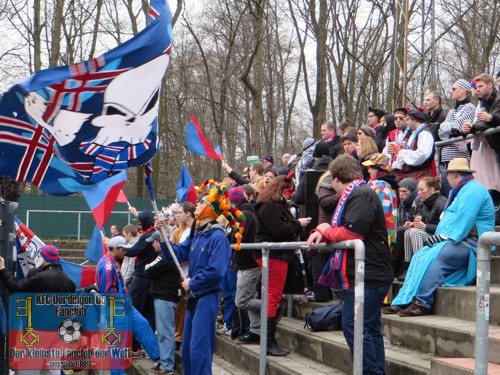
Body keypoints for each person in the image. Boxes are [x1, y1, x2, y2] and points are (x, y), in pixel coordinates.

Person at [307, 154, 393, 375]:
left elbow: (352, 232)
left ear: (336, 178)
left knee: (354, 326)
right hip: (368, 274)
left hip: (369, 275)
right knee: (369, 328)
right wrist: (322, 232)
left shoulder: (361, 194)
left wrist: (325, 230)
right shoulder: (359, 193)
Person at [383, 158, 495, 317]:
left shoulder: (473, 190)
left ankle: (422, 302)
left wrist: (443, 236)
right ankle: (404, 299)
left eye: (447, 174)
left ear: (454, 174)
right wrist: (442, 237)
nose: (445, 178)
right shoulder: (464, 189)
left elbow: (465, 220)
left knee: (439, 257)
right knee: (420, 256)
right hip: (459, 239)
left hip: (472, 243)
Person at [157, 180, 245, 375]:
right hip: (194, 298)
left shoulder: (217, 237)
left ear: (210, 209)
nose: (197, 204)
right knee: (188, 349)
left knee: (200, 349)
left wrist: (192, 282)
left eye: (202, 202)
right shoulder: (198, 234)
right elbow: (178, 254)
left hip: (206, 297)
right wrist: (162, 234)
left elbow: (217, 271)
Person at [254, 175, 311, 356]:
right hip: (273, 255)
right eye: (289, 191)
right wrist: (298, 224)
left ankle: (268, 340)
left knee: (273, 296)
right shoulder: (270, 206)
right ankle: (268, 342)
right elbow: (278, 229)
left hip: (276, 255)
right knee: (272, 297)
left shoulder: (271, 205)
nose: (290, 194)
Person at [0, 245, 75, 375]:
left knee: (29, 366)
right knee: (53, 367)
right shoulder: (68, 280)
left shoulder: (41, 278)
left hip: (39, 331)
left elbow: (15, 288)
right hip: (59, 331)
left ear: (44, 258)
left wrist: (2, 269)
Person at [96, 236, 160, 374]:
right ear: (116, 248)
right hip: (116, 308)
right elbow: (106, 293)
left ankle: (158, 357)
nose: (125, 252)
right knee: (117, 344)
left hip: (123, 305)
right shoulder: (107, 266)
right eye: (123, 249)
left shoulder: (112, 262)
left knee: (142, 325)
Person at [144, 232, 181, 375]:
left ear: (160, 241)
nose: (152, 244)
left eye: (153, 241)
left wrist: (148, 267)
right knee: (162, 332)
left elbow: (148, 270)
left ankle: (167, 365)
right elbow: (147, 268)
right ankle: (164, 362)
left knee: (165, 332)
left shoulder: (167, 254)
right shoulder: (162, 255)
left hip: (166, 297)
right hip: (162, 297)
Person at [227, 186, 260, 343]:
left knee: (241, 301)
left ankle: (270, 306)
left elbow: (237, 238)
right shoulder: (243, 213)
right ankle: (256, 331)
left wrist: (230, 234)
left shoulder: (244, 215)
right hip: (245, 264)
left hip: (248, 264)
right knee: (250, 296)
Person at [438, 79, 476, 196]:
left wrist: (450, 130)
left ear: (463, 90)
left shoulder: (470, 108)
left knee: (460, 192)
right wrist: (451, 131)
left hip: (460, 158)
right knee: (447, 193)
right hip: (446, 159)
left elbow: (458, 126)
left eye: (454, 89)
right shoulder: (452, 110)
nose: (451, 91)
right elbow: (441, 130)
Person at [465, 73, 500, 190]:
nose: (477, 89)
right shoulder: (483, 102)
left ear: (490, 85)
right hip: (494, 145)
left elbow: (490, 120)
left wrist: (491, 118)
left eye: (480, 86)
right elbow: (483, 122)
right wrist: (471, 127)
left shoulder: (498, 99)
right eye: (476, 87)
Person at [403, 176, 447, 264]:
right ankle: (408, 264)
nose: (418, 193)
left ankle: (419, 263)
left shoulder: (443, 203)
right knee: (408, 231)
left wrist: (425, 227)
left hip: (440, 237)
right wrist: (413, 224)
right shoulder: (423, 201)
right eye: (418, 190)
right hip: (429, 233)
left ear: (431, 190)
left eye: (421, 189)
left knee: (415, 232)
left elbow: (445, 228)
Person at [171, 201, 196, 350]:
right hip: (181, 274)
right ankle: (178, 336)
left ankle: (184, 336)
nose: (178, 215)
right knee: (180, 306)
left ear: (188, 213)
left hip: (190, 274)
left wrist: (182, 257)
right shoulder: (179, 231)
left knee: (187, 307)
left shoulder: (195, 229)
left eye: (180, 212)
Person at [362, 153, 399, 248]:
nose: (368, 170)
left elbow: (379, 216)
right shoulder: (388, 186)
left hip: (379, 240)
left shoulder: (379, 188)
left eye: (371, 167)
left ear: (378, 169)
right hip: (384, 238)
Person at [393, 107, 435, 183]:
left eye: (408, 119)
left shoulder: (425, 133)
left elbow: (422, 154)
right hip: (411, 175)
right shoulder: (415, 134)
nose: (406, 122)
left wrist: (403, 153)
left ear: (414, 120)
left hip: (420, 175)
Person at [392, 178, 419, 279]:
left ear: (412, 192)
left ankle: (398, 268)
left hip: (416, 230)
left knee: (400, 232)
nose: (401, 194)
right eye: (399, 191)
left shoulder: (417, 202)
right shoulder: (402, 205)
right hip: (405, 230)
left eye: (404, 191)